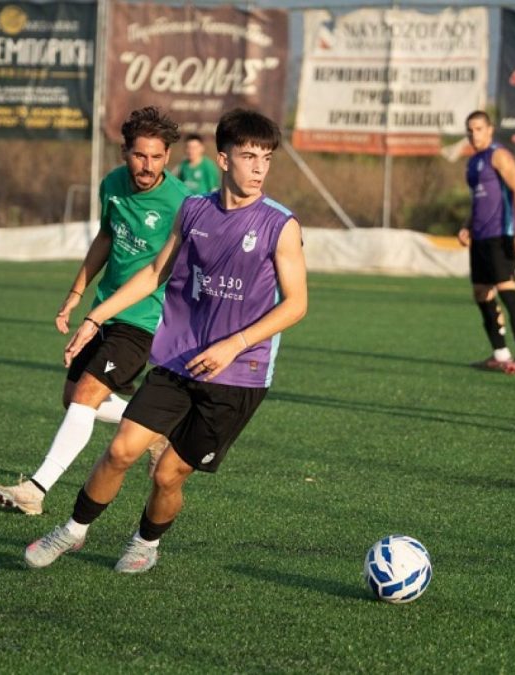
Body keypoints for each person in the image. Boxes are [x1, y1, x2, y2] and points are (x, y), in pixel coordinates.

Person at [23, 108, 308, 574]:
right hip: (178, 360)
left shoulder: (280, 224)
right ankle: (72, 531)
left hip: (239, 375)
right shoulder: (194, 210)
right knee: (120, 450)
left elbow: (296, 304)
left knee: (167, 473)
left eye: (266, 159)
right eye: (249, 156)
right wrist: (95, 316)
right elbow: (156, 271)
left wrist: (234, 344)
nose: (259, 168)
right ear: (223, 159)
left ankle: (145, 542)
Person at [0, 107, 190, 515]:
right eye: (139, 155)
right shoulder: (112, 184)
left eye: (156, 157)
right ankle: (155, 433)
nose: (147, 165)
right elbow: (106, 237)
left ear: (168, 156)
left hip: (143, 319)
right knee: (73, 399)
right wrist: (76, 292)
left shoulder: (182, 203)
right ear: (124, 152)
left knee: (85, 396)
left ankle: (36, 490)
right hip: (103, 310)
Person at [459, 111, 515, 374]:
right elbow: (478, 201)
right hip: (480, 237)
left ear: (490, 130)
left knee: (507, 290)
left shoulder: (499, 155)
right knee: (481, 293)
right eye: (470, 129)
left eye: (479, 128)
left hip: (501, 234)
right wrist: (467, 226)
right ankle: (501, 354)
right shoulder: (473, 162)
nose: (474, 134)